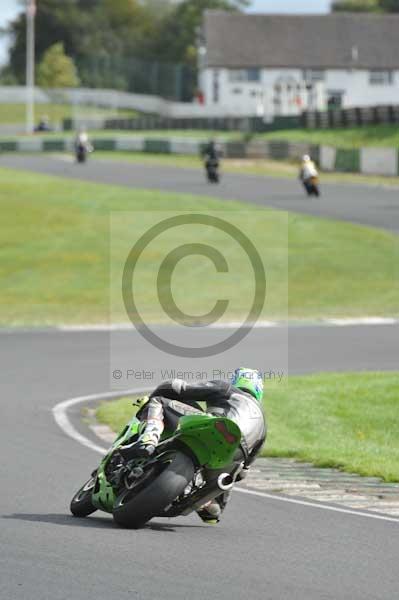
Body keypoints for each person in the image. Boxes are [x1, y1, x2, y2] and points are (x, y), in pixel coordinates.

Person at [120, 368, 267, 524]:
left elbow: (178, 388)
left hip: (215, 426)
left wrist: (155, 394)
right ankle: (207, 503)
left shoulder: (226, 388)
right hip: (234, 453)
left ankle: (149, 439)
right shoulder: (264, 425)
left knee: (158, 402)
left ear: (236, 380)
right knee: (231, 478)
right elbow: (244, 472)